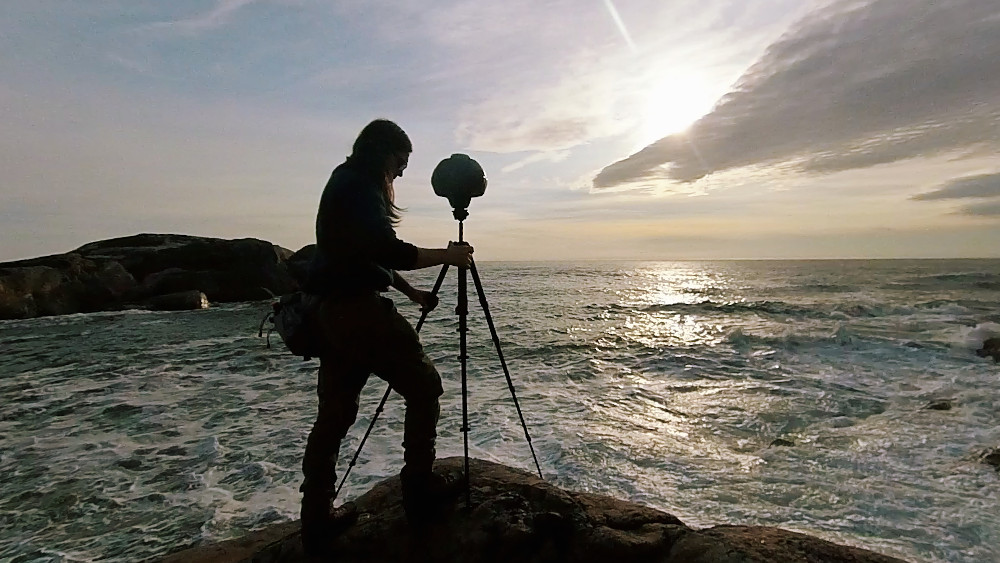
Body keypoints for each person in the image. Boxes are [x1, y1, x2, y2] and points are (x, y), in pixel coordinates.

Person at [299, 119, 473, 555]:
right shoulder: (360, 186)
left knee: (334, 416)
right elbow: (384, 248)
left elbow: (356, 252)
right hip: (357, 310)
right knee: (425, 385)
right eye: (399, 162)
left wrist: (410, 292)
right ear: (382, 153)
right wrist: (446, 257)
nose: (400, 173)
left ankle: (316, 519)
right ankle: (419, 489)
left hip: (331, 312)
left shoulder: (344, 181)